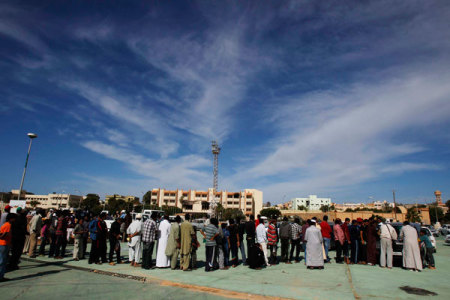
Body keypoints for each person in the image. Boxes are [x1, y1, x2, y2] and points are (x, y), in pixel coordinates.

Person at [0, 213, 16, 282]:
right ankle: (0, 276)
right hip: (4, 244)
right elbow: (3, 235)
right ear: (11, 219)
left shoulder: (5, 224)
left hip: (3, 244)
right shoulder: (8, 225)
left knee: (2, 260)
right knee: (2, 261)